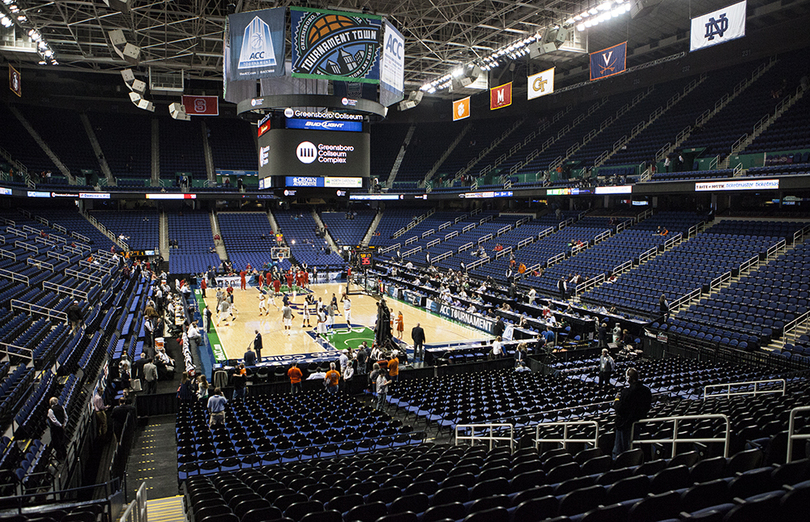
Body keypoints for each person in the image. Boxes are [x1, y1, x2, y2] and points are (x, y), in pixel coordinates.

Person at [612, 367, 652, 459]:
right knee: (633, 447)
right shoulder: (646, 391)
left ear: (628, 379)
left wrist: (617, 399)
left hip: (624, 425)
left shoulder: (626, 392)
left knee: (620, 450)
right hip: (639, 422)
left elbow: (619, 408)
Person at [47, 397, 67, 461]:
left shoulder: (50, 410)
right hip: (61, 427)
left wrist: (60, 425)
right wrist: (64, 424)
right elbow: (66, 417)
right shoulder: (62, 407)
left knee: (56, 442)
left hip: (55, 429)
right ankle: (64, 454)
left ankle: (60, 456)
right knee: (62, 440)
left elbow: (54, 420)